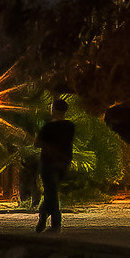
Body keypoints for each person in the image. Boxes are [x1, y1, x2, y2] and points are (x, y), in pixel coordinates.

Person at [35, 97, 77, 233]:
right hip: (63, 164)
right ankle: (45, 216)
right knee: (51, 192)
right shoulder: (70, 127)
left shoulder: (48, 127)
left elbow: (37, 143)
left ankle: (54, 223)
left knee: (50, 192)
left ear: (53, 109)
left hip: (48, 163)